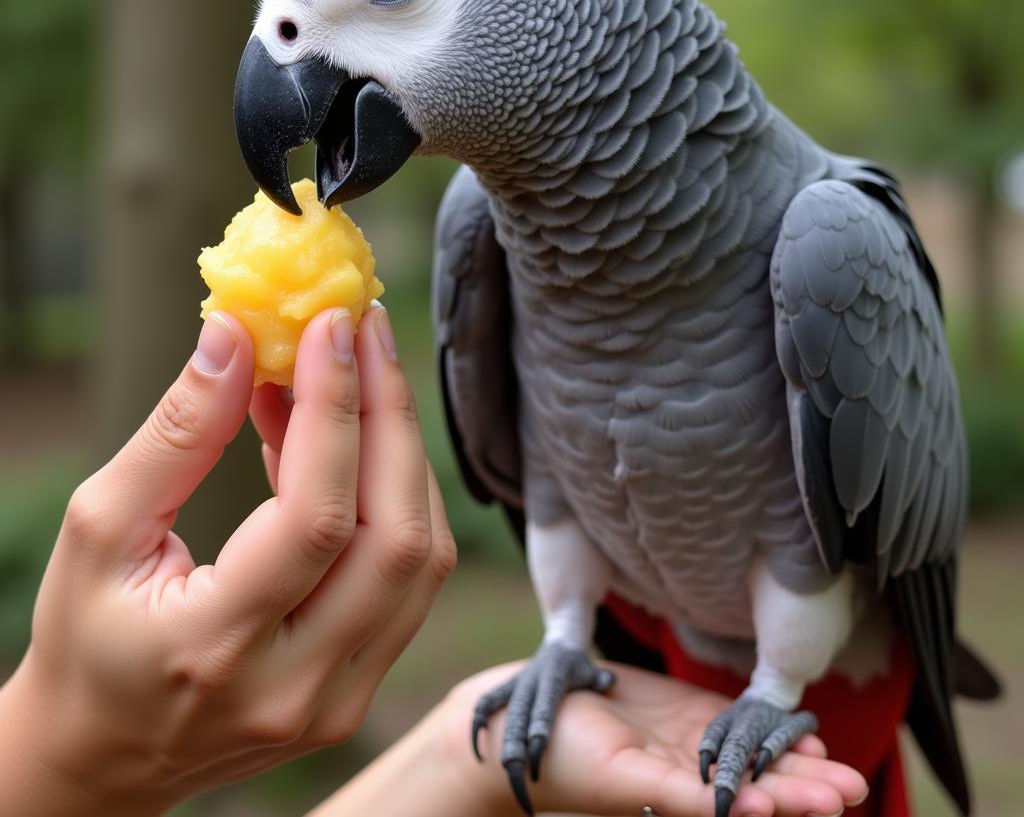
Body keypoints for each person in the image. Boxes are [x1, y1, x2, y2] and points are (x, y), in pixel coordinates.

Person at [0, 305, 868, 817]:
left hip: (827, 618)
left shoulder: (825, 233)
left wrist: (459, 756)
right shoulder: (484, 227)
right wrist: (72, 754)